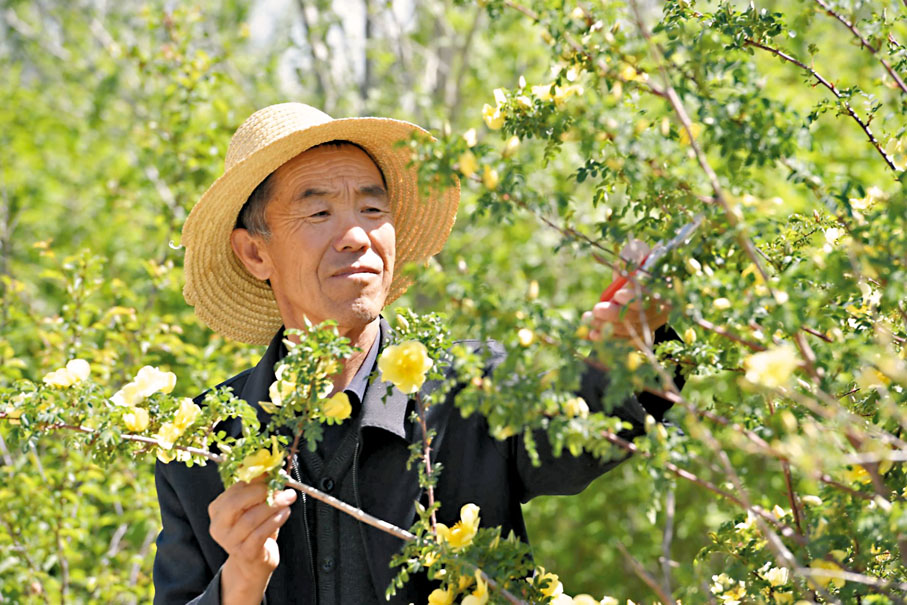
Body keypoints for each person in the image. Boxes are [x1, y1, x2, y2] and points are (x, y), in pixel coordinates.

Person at [154, 103, 674, 605]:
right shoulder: (202, 446)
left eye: (373, 208)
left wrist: (630, 348)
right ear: (254, 252)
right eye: (318, 211)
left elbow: (593, 437)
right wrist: (239, 585)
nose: (357, 235)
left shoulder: (475, 388)